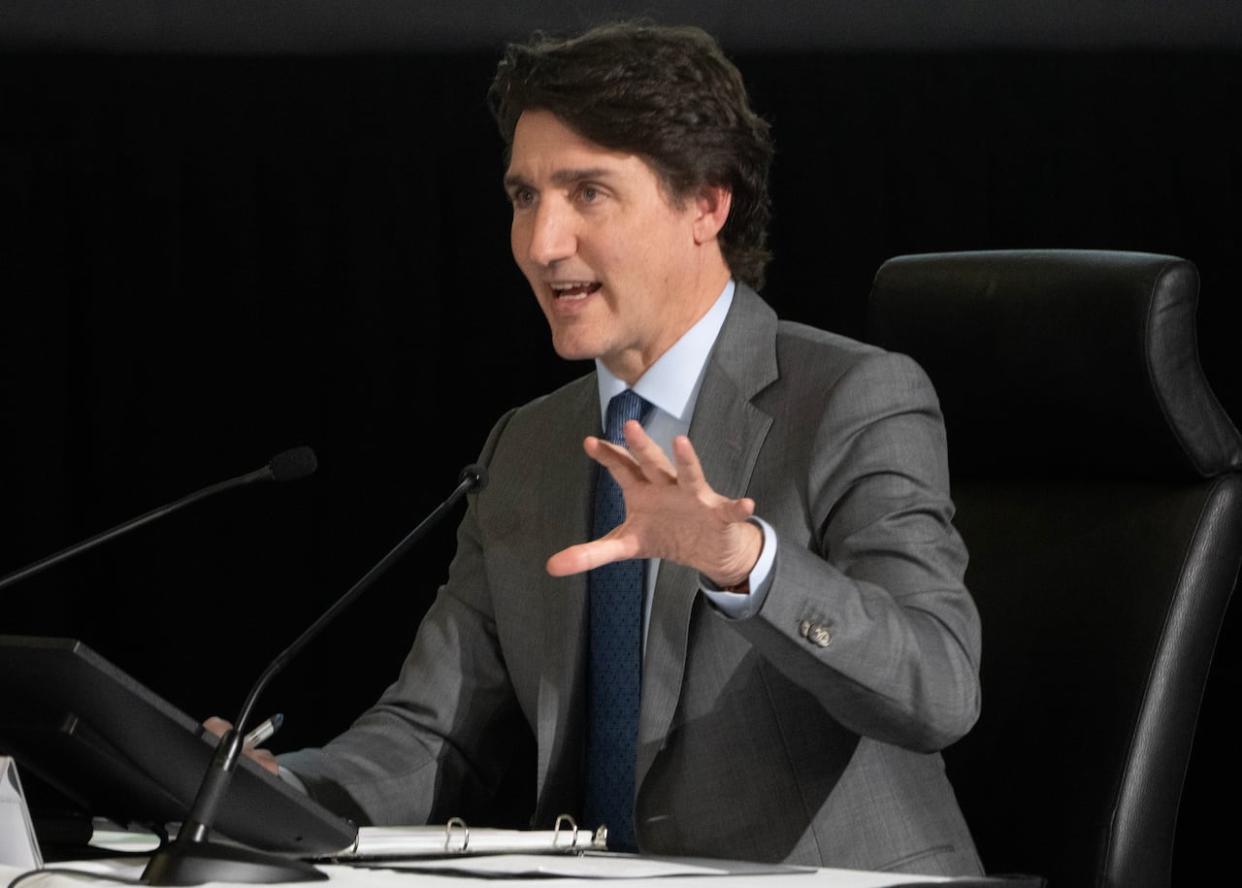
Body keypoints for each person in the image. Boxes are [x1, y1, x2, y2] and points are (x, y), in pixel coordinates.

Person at [273, 22, 984, 875]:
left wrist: (745, 562)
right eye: (525, 196)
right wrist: (273, 791)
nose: (541, 244)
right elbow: (433, 735)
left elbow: (938, 688)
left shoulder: (850, 399)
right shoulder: (529, 445)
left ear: (706, 204)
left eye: (588, 193)